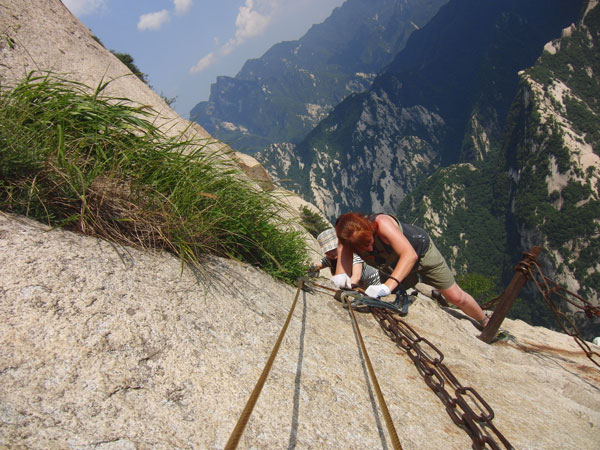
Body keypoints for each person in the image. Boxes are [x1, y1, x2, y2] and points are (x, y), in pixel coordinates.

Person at [333, 212, 489, 328]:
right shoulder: (346, 240)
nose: (369, 248)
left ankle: (485, 322)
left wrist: (387, 286)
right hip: (393, 265)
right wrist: (342, 278)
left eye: (369, 242)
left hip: (421, 253)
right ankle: (431, 294)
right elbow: (343, 265)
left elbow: (409, 255)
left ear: (370, 230)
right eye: (362, 247)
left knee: (456, 297)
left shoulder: (382, 223)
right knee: (389, 301)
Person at [310, 228, 381, 290]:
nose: (332, 253)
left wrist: (343, 288)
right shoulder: (330, 259)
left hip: (372, 281)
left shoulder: (353, 255)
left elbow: (356, 277)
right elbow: (317, 264)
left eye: (334, 249)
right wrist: (310, 268)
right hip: (359, 285)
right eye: (328, 251)